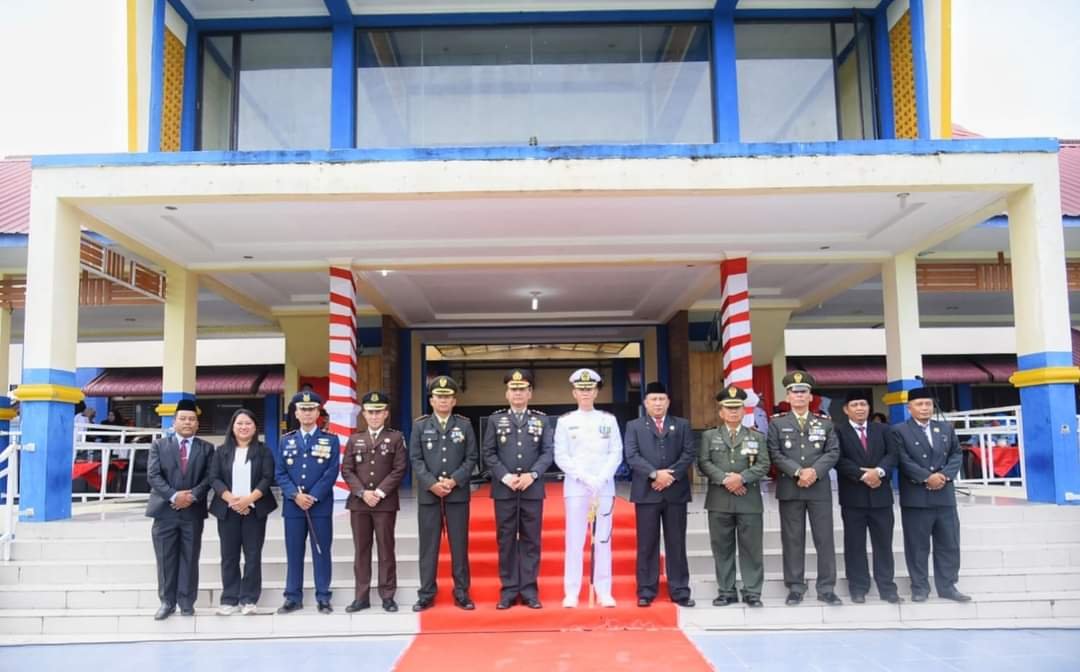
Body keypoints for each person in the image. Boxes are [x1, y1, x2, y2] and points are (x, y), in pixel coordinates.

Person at [767, 371, 842, 606]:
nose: (799, 396)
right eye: (794, 392)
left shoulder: (825, 423)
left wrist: (813, 472)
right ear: (787, 396)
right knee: (792, 540)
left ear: (810, 397)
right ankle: (795, 587)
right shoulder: (777, 423)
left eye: (803, 392)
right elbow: (774, 453)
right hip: (791, 488)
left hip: (818, 488)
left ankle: (826, 588)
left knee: (824, 539)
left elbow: (833, 452)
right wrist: (799, 472)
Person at [481, 369, 554, 610]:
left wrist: (533, 475)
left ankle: (530, 591)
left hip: (532, 489)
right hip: (505, 490)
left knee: (531, 540)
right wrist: (505, 476)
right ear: (507, 393)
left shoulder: (541, 420)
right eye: (514, 389)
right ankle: (509, 591)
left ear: (530, 393)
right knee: (506, 540)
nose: (518, 393)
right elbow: (488, 452)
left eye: (522, 389)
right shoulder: (495, 420)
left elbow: (548, 452)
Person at [891, 387, 970, 603]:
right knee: (917, 546)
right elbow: (902, 459)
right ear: (909, 408)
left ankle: (948, 586)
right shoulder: (899, 431)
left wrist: (943, 475)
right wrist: (927, 477)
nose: (924, 408)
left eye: (928, 404)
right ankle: (919, 587)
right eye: (919, 404)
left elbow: (956, 454)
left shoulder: (944, 428)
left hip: (944, 496)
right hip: (916, 497)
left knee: (949, 543)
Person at [554, 368, 623, 608]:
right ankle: (572, 592)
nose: (585, 393)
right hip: (577, 486)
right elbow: (561, 455)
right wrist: (584, 478)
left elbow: (616, 452)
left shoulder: (608, 420)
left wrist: (601, 478)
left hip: (603, 486)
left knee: (603, 539)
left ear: (596, 392)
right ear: (574, 392)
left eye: (590, 389)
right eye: (581, 389)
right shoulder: (565, 421)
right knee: (574, 541)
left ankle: (604, 590)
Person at [623, 381, 696, 608]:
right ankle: (646, 590)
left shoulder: (682, 425)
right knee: (647, 544)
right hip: (647, 493)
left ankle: (680, 590)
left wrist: (669, 476)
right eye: (653, 399)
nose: (657, 403)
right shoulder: (634, 426)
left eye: (661, 399)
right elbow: (632, 455)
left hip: (675, 492)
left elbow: (688, 453)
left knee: (677, 543)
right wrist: (655, 474)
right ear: (645, 403)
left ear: (668, 402)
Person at [408, 376, 477, 611]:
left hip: (457, 495)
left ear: (454, 400)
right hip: (430, 496)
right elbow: (415, 459)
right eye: (439, 396)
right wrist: (431, 483)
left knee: (459, 546)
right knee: (429, 547)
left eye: (447, 397)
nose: (443, 400)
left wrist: (454, 480)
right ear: (431, 400)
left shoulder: (464, 425)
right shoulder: (420, 425)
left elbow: (471, 458)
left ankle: (462, 592)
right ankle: (426, 593)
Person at [698, 385, 771, 607]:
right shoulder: (709, 436)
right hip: (719, 501)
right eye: (728, 408)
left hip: (749, 500)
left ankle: (752, 591)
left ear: (744, 411)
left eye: (737, 408)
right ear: (721, 412)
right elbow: (703, 463)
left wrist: (741, 478)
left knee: (751, 549)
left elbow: (764, 464)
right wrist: (725, 480)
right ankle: (726, 590)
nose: (733, 412)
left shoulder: (756, 437)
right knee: (722, 548)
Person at [145, 398, 213, 620]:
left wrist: (191, 496)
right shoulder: (159, 446)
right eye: (183, 419)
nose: (187, 422)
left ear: (197, 424)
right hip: (164, 511)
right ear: (174, 422)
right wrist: (174, 496)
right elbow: (153, 475)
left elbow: (210, 477)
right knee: (165, 558)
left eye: (191, 419)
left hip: (192, 512)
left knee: (190, 557)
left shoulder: (206, 448)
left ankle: (186, 602)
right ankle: (167, 602)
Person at [341, 391, 407, 613]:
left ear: (386, 414)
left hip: (384, 503)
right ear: (364, 414)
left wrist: (378, 492)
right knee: (361, 550)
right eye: (370, 412)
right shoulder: (354, 439)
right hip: (359, 504)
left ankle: (387, 596)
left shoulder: (396, 438)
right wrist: (362, 492)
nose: (374, 416)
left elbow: (399, 469)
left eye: (379, 412)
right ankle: (361, 597)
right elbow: (347, 469)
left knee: (386, 549)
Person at [275, 391, 341, 614]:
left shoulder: (330, 439)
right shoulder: (286, 440)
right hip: (293, 507)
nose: (307, 413)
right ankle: (293, 596)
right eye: (303, 409)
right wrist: (295, 495)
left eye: (311, 409)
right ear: (296, 413)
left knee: (321, 551)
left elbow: (331, 472)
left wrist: (313, 496)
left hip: (319, 506)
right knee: (294, 552)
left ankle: (323, 596)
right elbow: (280, 472)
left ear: (318, 412)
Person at [208, 408, 278, 615]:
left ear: (255, 427)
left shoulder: (264, 451)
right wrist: (231, 499)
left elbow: (267, 478)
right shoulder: (221, 451)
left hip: (254, 510)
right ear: (232, 427)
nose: (243, 427)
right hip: (227, 510)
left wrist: (248, 500)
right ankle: (229, 599)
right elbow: (214, 478)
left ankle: (249, 599)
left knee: (253, 555)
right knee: (229, 555)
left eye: (248, 423)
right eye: (239, 423)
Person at [835, 391, 901, 604]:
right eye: (854, 405)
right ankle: (858, 587)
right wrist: (863, 475)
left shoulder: (883, 430)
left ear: (869, 408)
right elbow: (838, 460)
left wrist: (878, 472)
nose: (860, 408)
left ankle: (887, 587)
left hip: (881, 496)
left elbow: (893, 455)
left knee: (884, 543)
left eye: (863, 404)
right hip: (853, 497)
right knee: (855, 544)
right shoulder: (838, 432)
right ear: (846, 409)